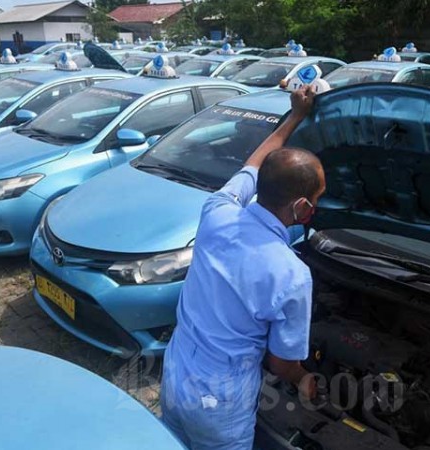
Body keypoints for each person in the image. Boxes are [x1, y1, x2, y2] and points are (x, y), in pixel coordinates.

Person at [161, 84, 325, 450]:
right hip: (220, 398)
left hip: (177, 368)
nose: (315, 207)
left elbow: (253, 163)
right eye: (316, 200)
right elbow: (282, 365)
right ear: (301, 208)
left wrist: (295, 116)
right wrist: (305, 380)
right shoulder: (291, 274)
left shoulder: (218, 211)